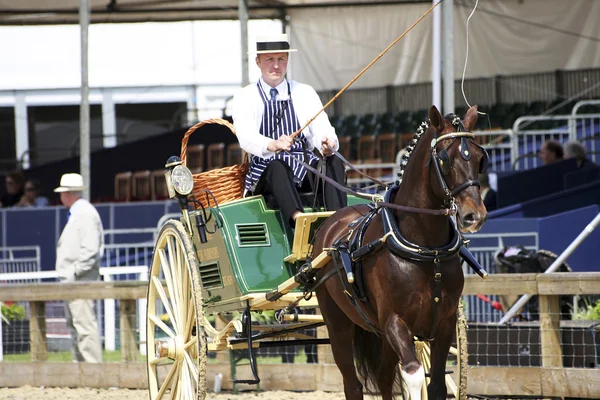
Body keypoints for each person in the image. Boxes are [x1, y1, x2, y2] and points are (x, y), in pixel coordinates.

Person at [232, 34, 347, 228]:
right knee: (277, 166)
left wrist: (327, 142)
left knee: (333, 160)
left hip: (304, 169)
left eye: (281, 59)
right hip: (266, 173)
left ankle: (339, 225)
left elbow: (321, 126)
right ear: (258, 61)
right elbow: (245, 136)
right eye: (269, 59)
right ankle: (299, 221)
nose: (276, 66)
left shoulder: (304, 92)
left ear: (287, 60)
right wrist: (273, 144)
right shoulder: (245, 96)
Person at [54, 173, 104, 363]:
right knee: (77, 325)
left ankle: (93, 372)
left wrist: (75, 272)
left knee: (84, 326)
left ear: (67, 193)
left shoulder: (85, 214)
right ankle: (81, 371)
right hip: (74, 280)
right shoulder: (80, 213)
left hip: (80, 280)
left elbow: (90, 250)